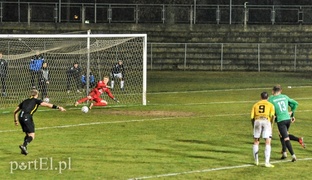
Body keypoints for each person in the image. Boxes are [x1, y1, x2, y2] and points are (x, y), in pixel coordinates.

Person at [13, 89, 66, 155]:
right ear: (37, 95)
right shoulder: (36, 100)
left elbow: (15, 111)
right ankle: (23, 146)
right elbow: (47, 105)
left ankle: (24, 149)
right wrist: (58, 107)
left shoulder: (25, 101)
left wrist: (16, 120)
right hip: (27, 117)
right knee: (32, 135)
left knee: (27, 134)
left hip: (20, 117)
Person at [268, 84, 299, 162]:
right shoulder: (285, 97)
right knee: (282, 134)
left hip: (281, 120)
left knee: (286, 138)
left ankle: (293, 155)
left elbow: (269, 109)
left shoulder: (271, 99)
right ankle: (284, 153)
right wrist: (292, 113)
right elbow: (295, 103)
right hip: (287, 119)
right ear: (281, 91)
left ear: (272, 91)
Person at [251, 92, 275, 167]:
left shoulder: (255, 105)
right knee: (268, 141)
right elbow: (272, 116)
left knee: (256, 141)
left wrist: (253, 125)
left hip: (257, 121)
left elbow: (252, 117)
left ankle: (256, 161)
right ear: (267, 98)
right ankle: (266, 162)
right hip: (266, 121)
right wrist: (271, 125)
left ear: (260, 97)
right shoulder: (270, 105)